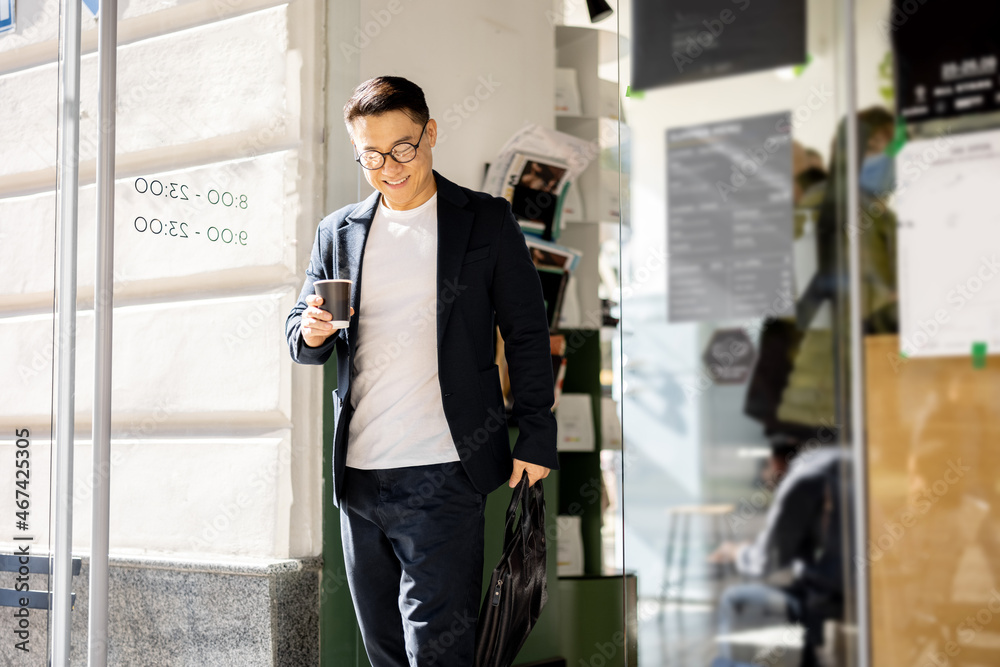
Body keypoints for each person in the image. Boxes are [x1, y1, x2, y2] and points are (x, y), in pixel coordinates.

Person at [285, 76, 559, 666]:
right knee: (384, 650)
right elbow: (300, 334)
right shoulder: (338, 232)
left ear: (430, 133)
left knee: (438, 652)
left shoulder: (484, 221)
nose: (389, 167)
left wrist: (535, 434)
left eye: (402, 148)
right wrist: (308, 332)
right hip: (358, 477)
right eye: (371, 156)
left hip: (444, 472)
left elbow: (527, 335)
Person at [709, 440, 848, 667]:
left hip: (826, 596)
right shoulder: (835, 468)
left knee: (731, 598)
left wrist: (736, 551)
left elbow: (765, 561)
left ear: (777, 462)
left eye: (766, 467)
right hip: (841, 590)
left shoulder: (803, 479)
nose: (765, 475)